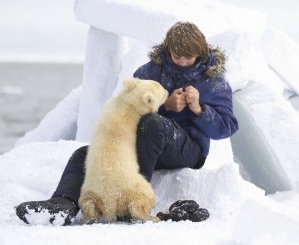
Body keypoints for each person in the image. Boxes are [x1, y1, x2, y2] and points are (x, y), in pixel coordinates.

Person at [15, 21, 238, 225]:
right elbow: (127, 110)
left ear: (200, 53)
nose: (181, 62)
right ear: (168, 49)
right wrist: (166, 106)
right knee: (85, 154)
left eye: (188, 58)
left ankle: (131, 202)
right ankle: (61, 206)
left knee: (153, 124)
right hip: (142, 143)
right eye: (176, 56)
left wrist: (199, 110)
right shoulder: (150, 71)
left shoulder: (214, 80)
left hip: (188, 148)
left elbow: (226, 127)